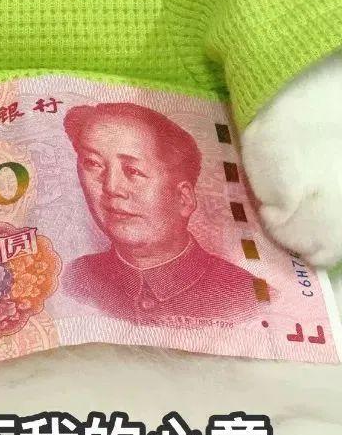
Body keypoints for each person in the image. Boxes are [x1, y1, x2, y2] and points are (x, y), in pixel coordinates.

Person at [62, 102, 261, 324]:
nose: (111, 187)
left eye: (132, 170)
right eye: (93, 164)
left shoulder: (247, 297)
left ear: (184, 198)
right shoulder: (74, 280)